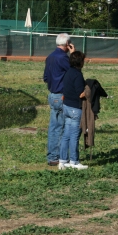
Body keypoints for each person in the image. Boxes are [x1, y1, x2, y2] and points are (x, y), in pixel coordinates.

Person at [43, 33, 75, 166]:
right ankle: (57, 157)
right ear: (67, 44)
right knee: (61, 128)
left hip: (53, 94)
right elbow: (75, 72)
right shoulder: (63, 58)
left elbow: (45, 77)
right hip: (61, 95)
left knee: (54, 127)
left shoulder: (50, 57)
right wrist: (73, 55)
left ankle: (52, 156)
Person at [58, 51, 88, 170]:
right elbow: (80, 94)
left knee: (66, 134)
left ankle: (62, 161)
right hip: (75, 108)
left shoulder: (68, 72)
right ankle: (74, 161)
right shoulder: (77, 75)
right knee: (74, 135)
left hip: (66, 106)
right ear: (80, 62)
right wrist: (90, 91)